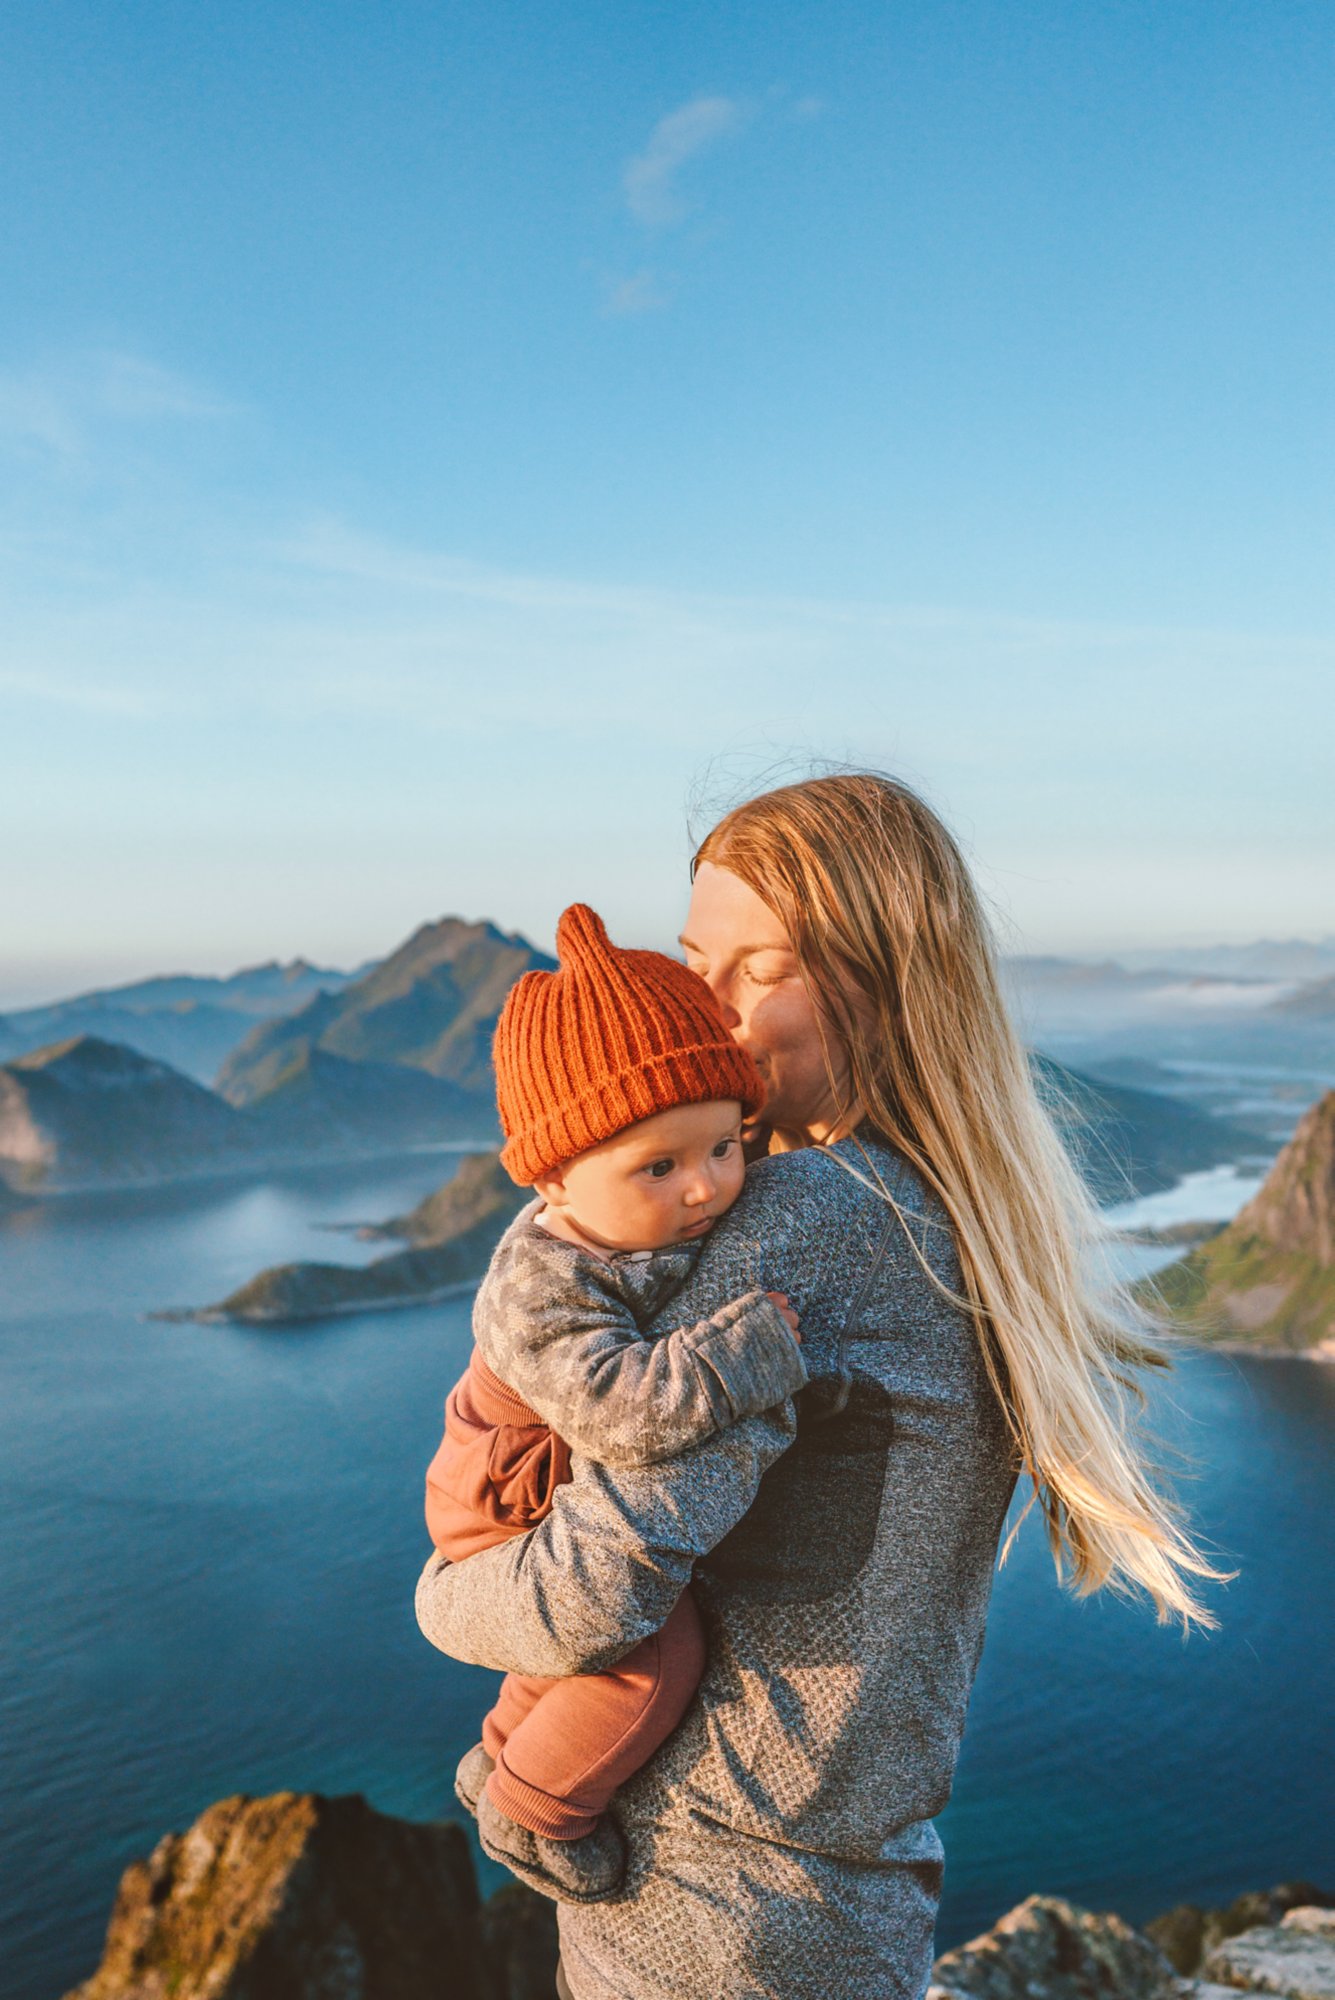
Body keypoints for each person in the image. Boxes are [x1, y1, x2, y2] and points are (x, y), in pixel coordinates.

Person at [416, 771, 1226, 2000]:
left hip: (702, 1916)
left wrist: (441, 1599)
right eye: (700, 964)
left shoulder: (803, 1223)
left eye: (762, 968)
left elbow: (588, 1597)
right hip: (844, 1905)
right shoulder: (954, 1210)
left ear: (885, 981)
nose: (716, 1011)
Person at [425, 902, 807, 1902]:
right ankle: (536, 1810)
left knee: (582, 1657)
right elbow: (620, 1415)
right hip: (500, 1496)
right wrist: (744, 1352)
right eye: (659, 1166)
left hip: (531, 1472)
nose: (705, 1188)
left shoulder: (627, 1228)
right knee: (650, 1656)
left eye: (723, 1146)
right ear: (554, 1180)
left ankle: (500, 1754)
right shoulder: (539, 1285)